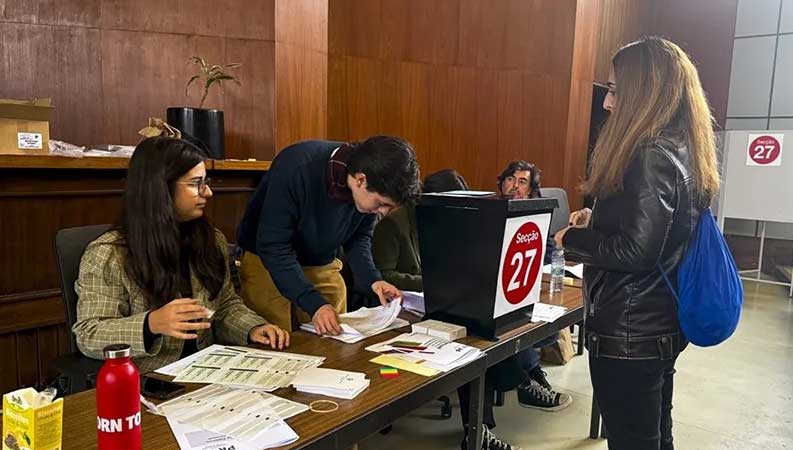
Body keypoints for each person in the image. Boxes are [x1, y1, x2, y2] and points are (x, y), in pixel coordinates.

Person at [555, 37, 719, 450]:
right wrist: (602, 219)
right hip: (658, 324)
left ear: (642, 92)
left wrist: (571, 239)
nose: (607, 104)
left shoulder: (649, 153)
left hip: (630, 334)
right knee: (655, 437)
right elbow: (660, 230)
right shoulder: (682, 149)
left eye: (613, 91)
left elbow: (638, 251)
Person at [73, 137, 290, 373]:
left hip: (209, 369)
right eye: (195, 183)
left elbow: (225, 306)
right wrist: (151, 323)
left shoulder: (210, 239)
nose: (208, 192)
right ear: (161, 189)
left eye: (206, 181)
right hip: (150, 380)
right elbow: (89, 334)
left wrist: (253, 328)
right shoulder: (108, 253)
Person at [372, 169, 524, 450]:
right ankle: (496, 411)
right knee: (470, 338)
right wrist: (438, 280)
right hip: (402, 306)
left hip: (439, 301)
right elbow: (383, 275)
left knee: (483, 332)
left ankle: (480, 429)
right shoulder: (392, 225)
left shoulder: (449, 221)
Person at [236, 137, 420, 336]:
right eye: (381, 203)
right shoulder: (296, 167)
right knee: (275, 337)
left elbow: (359, 239)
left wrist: (373, 280)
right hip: (267, 261)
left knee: (334, 335)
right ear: (361, 180)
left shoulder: (369, 188)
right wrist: (315, 304)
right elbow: (274, 246)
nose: (382, 212)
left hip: (320, 261)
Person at [496, 160, 572, 412]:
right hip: (498, 289)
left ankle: (531, 375)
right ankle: (528, 382)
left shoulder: (534, 216)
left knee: (531, 316)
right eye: (510, 179)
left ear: (531, 190)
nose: (514, 187)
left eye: (522, 182)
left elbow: (550, 253)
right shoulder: (490, 211)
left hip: (525, 287)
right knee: (514, 319)